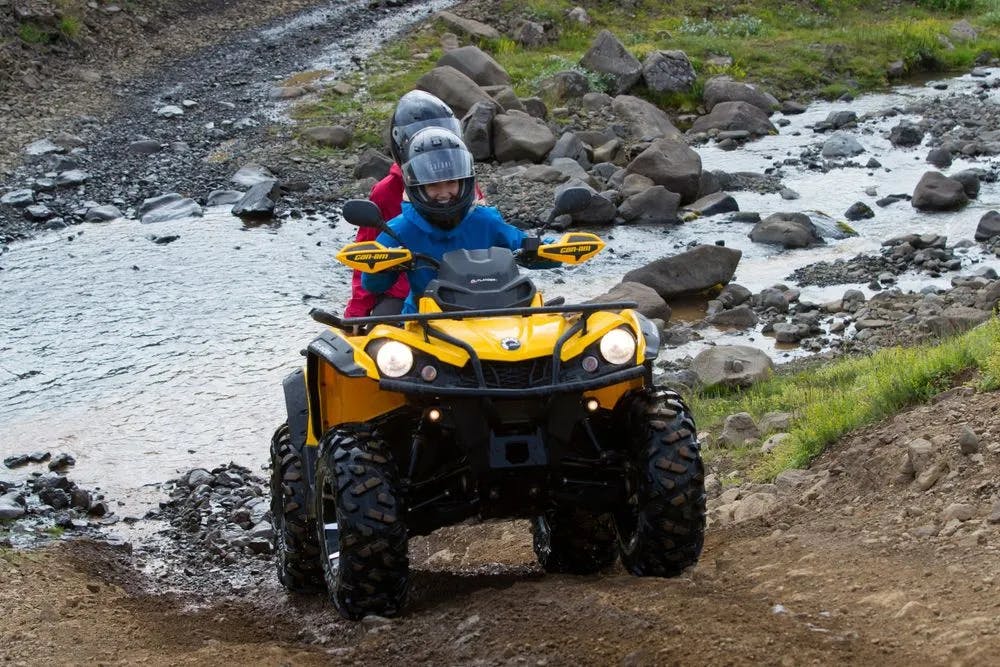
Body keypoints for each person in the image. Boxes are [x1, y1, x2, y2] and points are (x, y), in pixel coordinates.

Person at [361, 127, 540, 315]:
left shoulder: (486, 220)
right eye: (433, 185)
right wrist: (384, 267)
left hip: (495, 318)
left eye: (452, 182)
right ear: (417, 186)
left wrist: (552, 249)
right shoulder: (400, 229)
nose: (444, 193)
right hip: (424, 324)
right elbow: (372, 284)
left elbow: (525, 244)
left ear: (464, 181)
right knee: (380, 342)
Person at [345, 90, 480, 317]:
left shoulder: (463, 187)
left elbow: (490, 233)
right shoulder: (387, 191)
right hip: (406, 294)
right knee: (379, 335)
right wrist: (357, 311)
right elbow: (367, 255)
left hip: (468, 286)